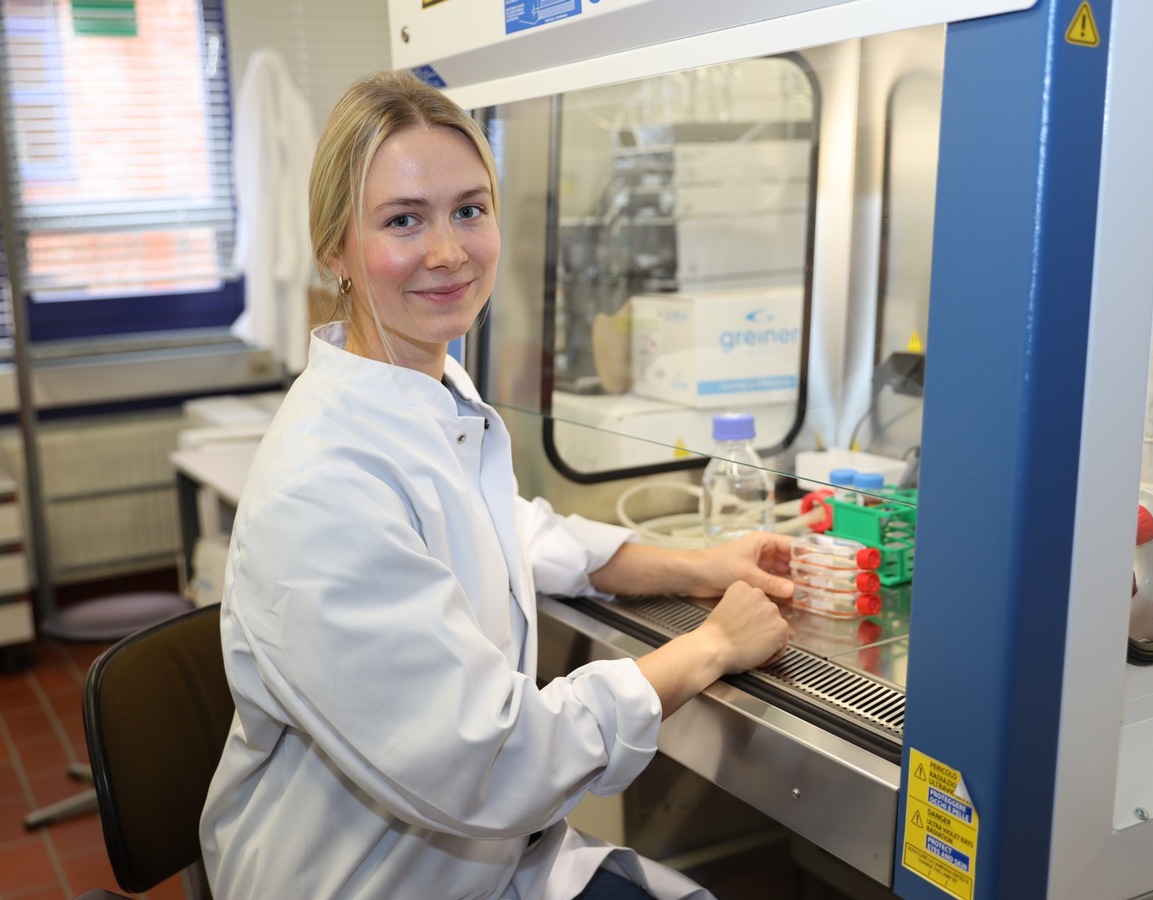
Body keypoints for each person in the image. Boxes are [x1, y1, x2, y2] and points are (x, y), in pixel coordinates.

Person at [199, 68, 794, 900]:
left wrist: (696, 567)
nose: (448, 252)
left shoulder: (431, 384)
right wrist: (709, 647)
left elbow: (508, 526)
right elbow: (489, 756)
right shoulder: (320, 483)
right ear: (334, 247)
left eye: (469, 210)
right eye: (403, 220)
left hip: (487, 859)